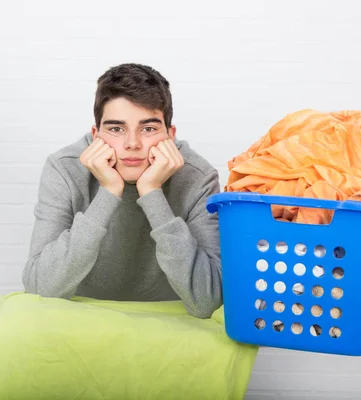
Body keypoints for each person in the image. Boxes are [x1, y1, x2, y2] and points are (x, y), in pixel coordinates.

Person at [22, 63, 222, 318]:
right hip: (83, 321)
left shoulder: (198, 176)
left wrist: (151, 192)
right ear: (96, 135)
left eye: (148, 129)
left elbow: (208, 301)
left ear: (170, 136)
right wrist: (108, 191)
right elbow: (40, 288)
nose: (132, 144)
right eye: (116, 129)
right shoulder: (64, 169)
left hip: (167, 324)